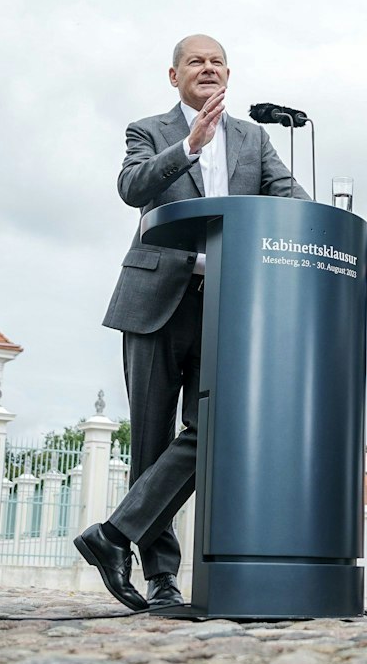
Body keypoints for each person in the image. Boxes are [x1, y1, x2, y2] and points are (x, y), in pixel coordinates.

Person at [73, 35, 305, 611]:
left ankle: (113, 535)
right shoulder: (148, 129)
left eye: (217, 62)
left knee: (215, 426)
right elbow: (132, 188)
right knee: (150, 441)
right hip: (156, 298)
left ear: (230, 74)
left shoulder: (255, 138)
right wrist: (189, 146)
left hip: (229, 301)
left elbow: (284, 192)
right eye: (196, 62)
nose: (208, 68)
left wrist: (332, 222)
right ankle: (161, 579)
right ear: (173, 74)